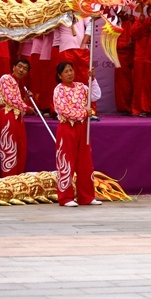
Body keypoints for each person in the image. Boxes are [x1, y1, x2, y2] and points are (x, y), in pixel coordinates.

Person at [53, 62, 102, 207]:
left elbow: (95, 95)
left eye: (71, 70)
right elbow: (63, 110)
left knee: (85, 162)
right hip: (67, 127)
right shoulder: (58, 90)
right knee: (66, 162)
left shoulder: (82, 87)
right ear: (59, 75)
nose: (70, 73)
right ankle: (66, 197)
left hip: (83, 128)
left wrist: (92, 79)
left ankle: (86, 196)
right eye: (66, 71)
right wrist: (84, 113)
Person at [0, 59, 33, 177]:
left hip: (17, 118)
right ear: (13, 67)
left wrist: (25, 99)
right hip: (7, 116)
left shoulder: (18, 85)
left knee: (20, 149)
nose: (21, 70)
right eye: (19, 67)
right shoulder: (6, 78)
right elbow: (10, 100)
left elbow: (18, 104)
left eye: (25, 69)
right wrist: (26, 107)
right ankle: (8, 181)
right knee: (9, 149)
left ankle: (17, 180)